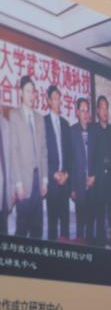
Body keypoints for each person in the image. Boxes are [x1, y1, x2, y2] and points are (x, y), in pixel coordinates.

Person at [8, 75, 48, 239]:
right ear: (21, 93)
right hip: (24, 181)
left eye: (33, 91)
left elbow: (44, 150)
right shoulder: (14, 115)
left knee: (37, 229)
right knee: (22, 229)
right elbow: (14, 152)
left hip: (38, 179)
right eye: (27, 91)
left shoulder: (39, 118)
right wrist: (18, 184)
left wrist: (45, 180)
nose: (31, 95)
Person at [43, 85, 71, 241]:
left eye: (59, 98)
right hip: (52, 182)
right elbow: (42, 154)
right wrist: (53, 173)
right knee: (52, 225)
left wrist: (66, 174)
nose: (58, 101)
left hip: (65, 182)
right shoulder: (43, 122)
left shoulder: (65, 124)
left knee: (65, 224)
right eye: (54, 98)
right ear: (48, 101)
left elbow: (69, 154)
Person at [68, 98, 97, 243]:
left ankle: (90, 246)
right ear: (77, 112)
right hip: (78, 185)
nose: (85, 114)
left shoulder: (94, 131)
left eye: (87, 110)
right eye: (82, 110)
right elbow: (69, 161)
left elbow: (98, 157)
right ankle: (80, 247)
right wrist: (71, 188)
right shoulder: (72, 131)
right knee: (80, 224)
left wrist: (94, 177)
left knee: (91, 222)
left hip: (92, 184)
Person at [93, 96, 111, 245]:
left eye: (106, 108)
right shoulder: (93, 130)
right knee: (99, 217)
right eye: (102, 108)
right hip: (98, 182)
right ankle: (101, 243)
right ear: (97, 111)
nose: (105, 111)